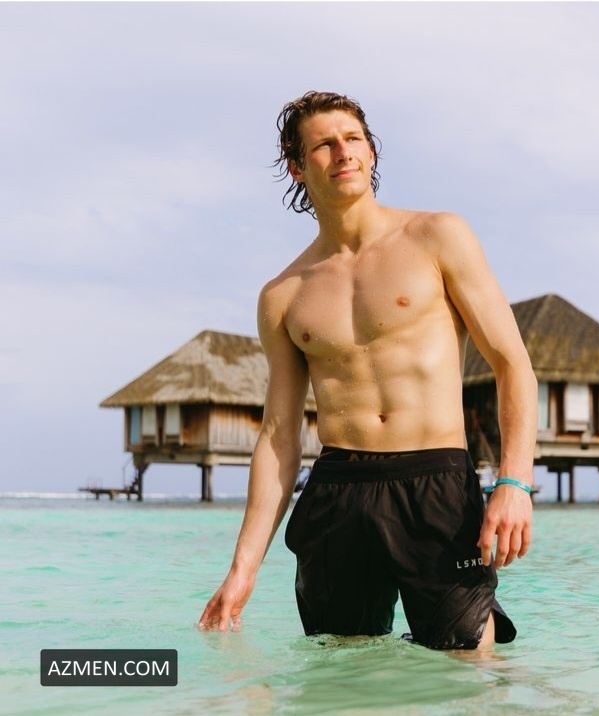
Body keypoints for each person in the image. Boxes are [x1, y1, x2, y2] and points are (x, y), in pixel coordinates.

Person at [199, 91, 537, 650]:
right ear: (297, 166)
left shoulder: (437, 237)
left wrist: (514, 482)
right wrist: (243, 569)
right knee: (343, 670)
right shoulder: (283, 295)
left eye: (353, 138)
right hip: (338, 492)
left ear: (371, 151)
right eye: (324, 144)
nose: (343, 152)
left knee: (470, 654)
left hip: (435, 479)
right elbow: (279, 437)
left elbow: (511, 363)